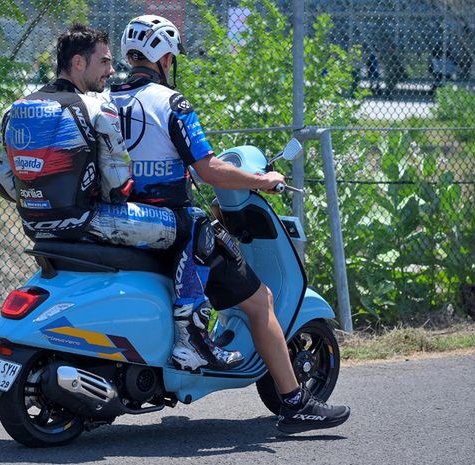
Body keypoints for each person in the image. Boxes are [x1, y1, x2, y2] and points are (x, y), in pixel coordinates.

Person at [111, 14, 350, 434]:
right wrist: (264, 181)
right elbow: (210, 171)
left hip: (128, 220)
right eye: (172, 56)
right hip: (175, 223)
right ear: (165, 57)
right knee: (259, 302)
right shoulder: (171, 103)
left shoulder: (107, 99)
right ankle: (295, 403)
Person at [0, 23, 243, 371]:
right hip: (87, 221)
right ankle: (192, 340)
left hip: (36, 226)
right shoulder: (96, 109)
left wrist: (44, 200)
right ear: (78, 63)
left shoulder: (16, 109)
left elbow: (3, 182)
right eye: (104, 62)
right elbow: (117, 186)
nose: (112, 71)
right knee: (196, 224)